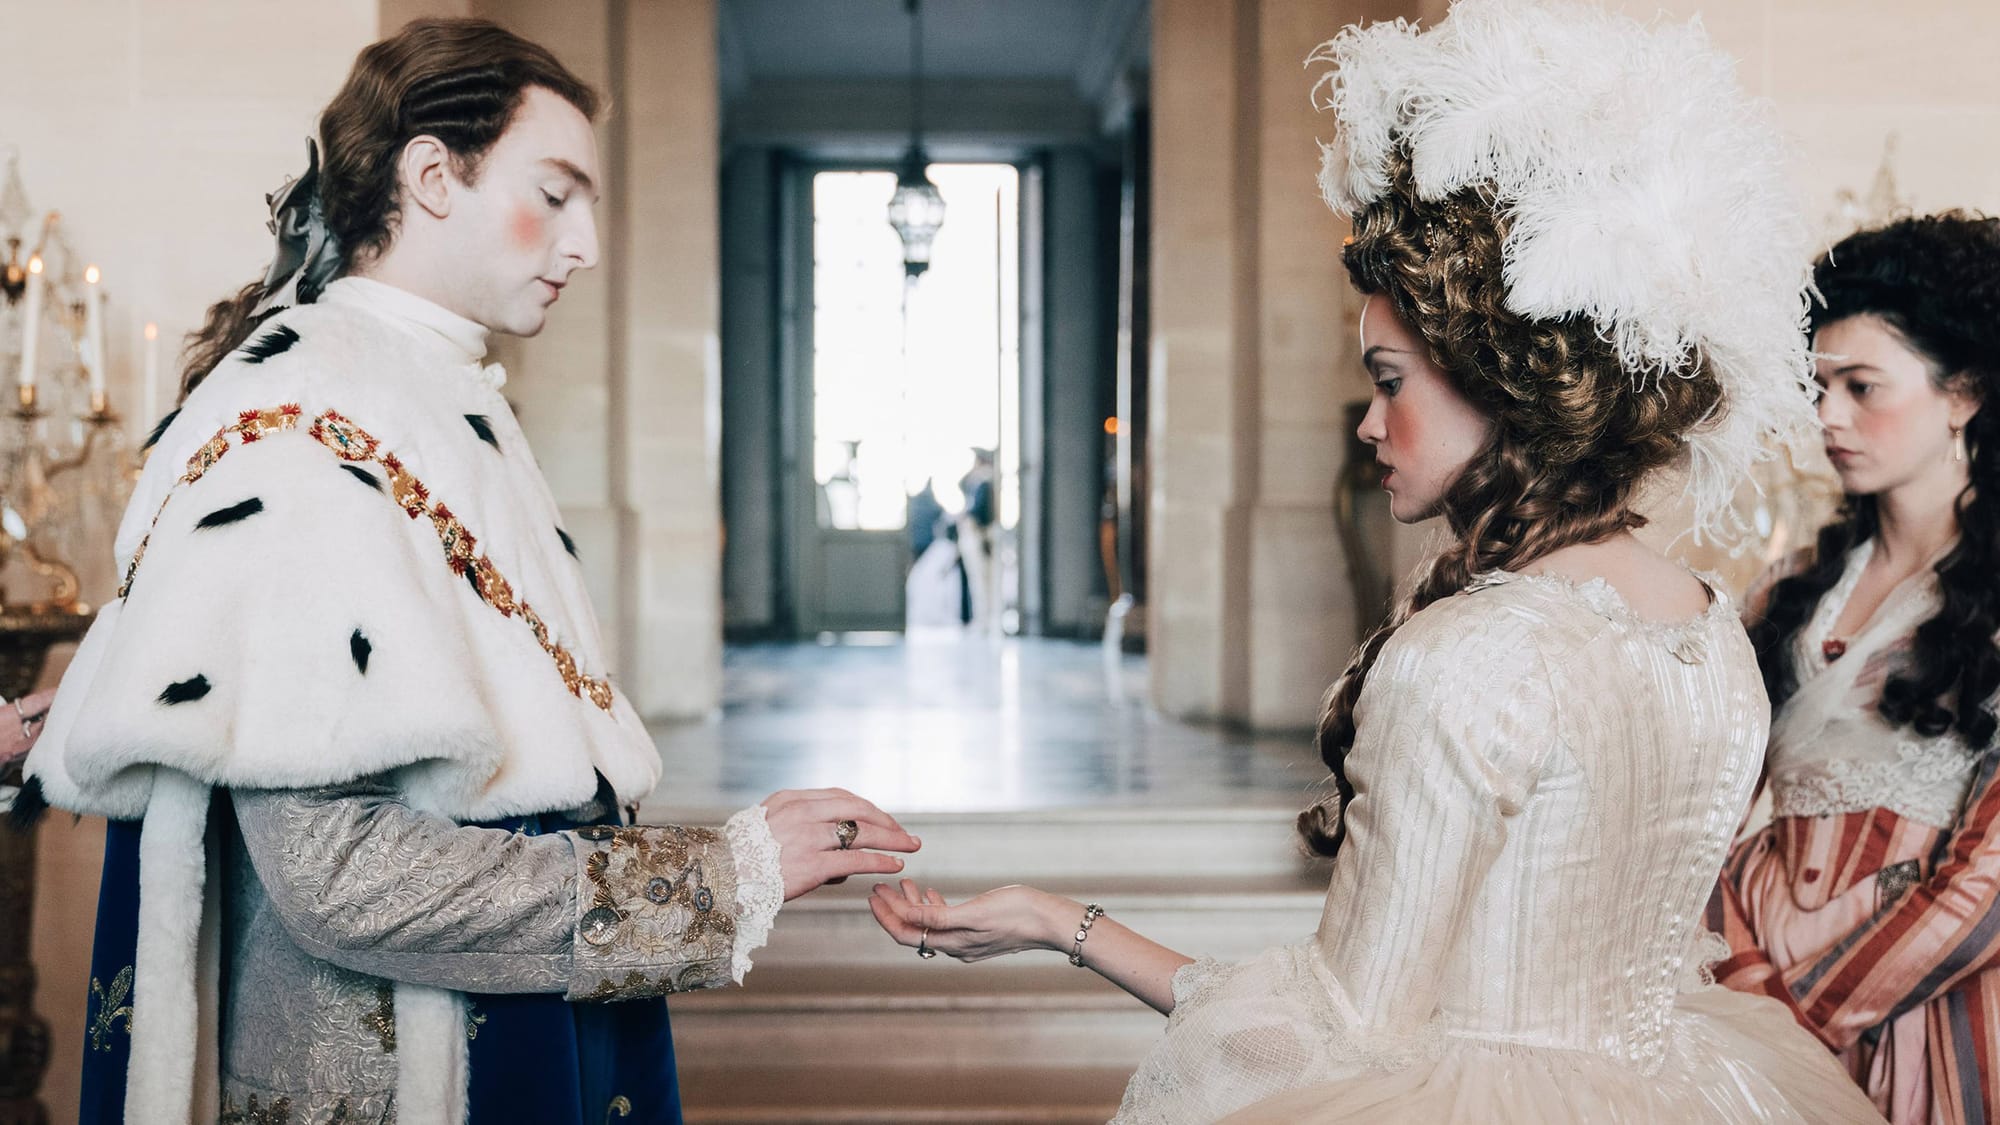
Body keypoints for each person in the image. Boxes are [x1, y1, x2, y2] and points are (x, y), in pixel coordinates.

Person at [867, 2, 1884, 1121]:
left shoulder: (1471, 656)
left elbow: (1335, 1035)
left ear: (1501, 382)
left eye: (1389, 381)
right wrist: (1053, 917)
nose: (1366, 422)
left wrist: (1065, 925)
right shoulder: (1704, 622)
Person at [19, 20, 917, 1125]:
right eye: (555, 192)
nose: (586, 244)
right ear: (432, 176)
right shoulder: (305, 427)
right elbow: (339, 874)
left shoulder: (420, 397)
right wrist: (719, 876)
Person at [1713, 213, 2000, 1124]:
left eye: (1862, 386)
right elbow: (1705, 809)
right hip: (1753, 992)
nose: (1828, 416)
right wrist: (1748, 987)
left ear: (1963, 394)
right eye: (1820, 386)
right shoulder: (1792, 588)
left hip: (1927, 1011)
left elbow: (1992, 875)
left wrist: (1806, 1013)